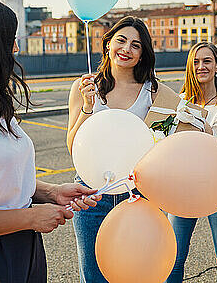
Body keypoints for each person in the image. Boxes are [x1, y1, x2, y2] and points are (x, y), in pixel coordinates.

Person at [0, 0, 101, 283]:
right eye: (10, 39)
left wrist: (50, 191)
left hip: (24, 245)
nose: (15, 48)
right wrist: (31, 218)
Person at [66, 16, 159, 283]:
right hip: (92, 194)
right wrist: (87, 104)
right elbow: (72, 147)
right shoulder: (84, 87)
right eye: (121, 40)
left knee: (140, 273)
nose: (126, 49)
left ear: (142, 55)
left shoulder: (152, 91)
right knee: (94, 276)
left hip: (139, 195)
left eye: (136, 45)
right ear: (108, 44)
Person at [166, 42, 217, 283]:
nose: (201, 66)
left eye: (207, 61)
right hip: (184, 190)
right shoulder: (178, 102)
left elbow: (211, 149)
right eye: (196, 62)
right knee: (173, 258)